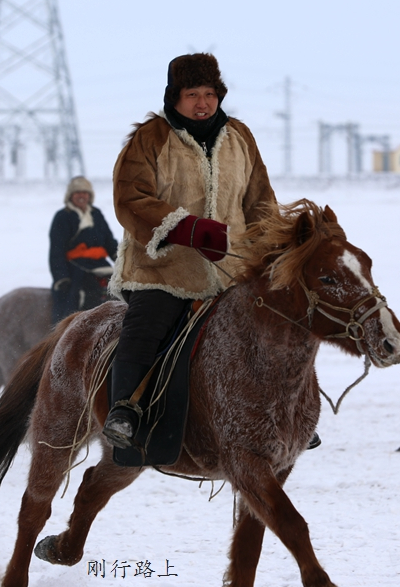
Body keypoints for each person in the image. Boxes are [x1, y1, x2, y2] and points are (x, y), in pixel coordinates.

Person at [103, 53, 278, 450]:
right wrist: (189, 228)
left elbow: (261, 203)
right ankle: (125, 410)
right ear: (174, 97)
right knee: (148, 326)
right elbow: (130, 198)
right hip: (162, 269)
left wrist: (272, 250)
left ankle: (281, 411)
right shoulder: (150, 137)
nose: (203, 103)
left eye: (210, 94)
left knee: (274, 327)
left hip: (232, 270)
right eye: (192, 94)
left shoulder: (240, 137)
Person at [49, 176, 119, 324]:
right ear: (70, 196)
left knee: (120, 290)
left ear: (90, 196)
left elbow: (109, 241)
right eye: (77, 193)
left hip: (100, 264)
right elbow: (56, 251)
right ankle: (74, 328)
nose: (82, 196)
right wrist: (61, 277)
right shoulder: (62, 217)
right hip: (75, 267)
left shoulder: (96, 214)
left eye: (85, 193)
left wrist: (121, 259)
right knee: (79, 296)